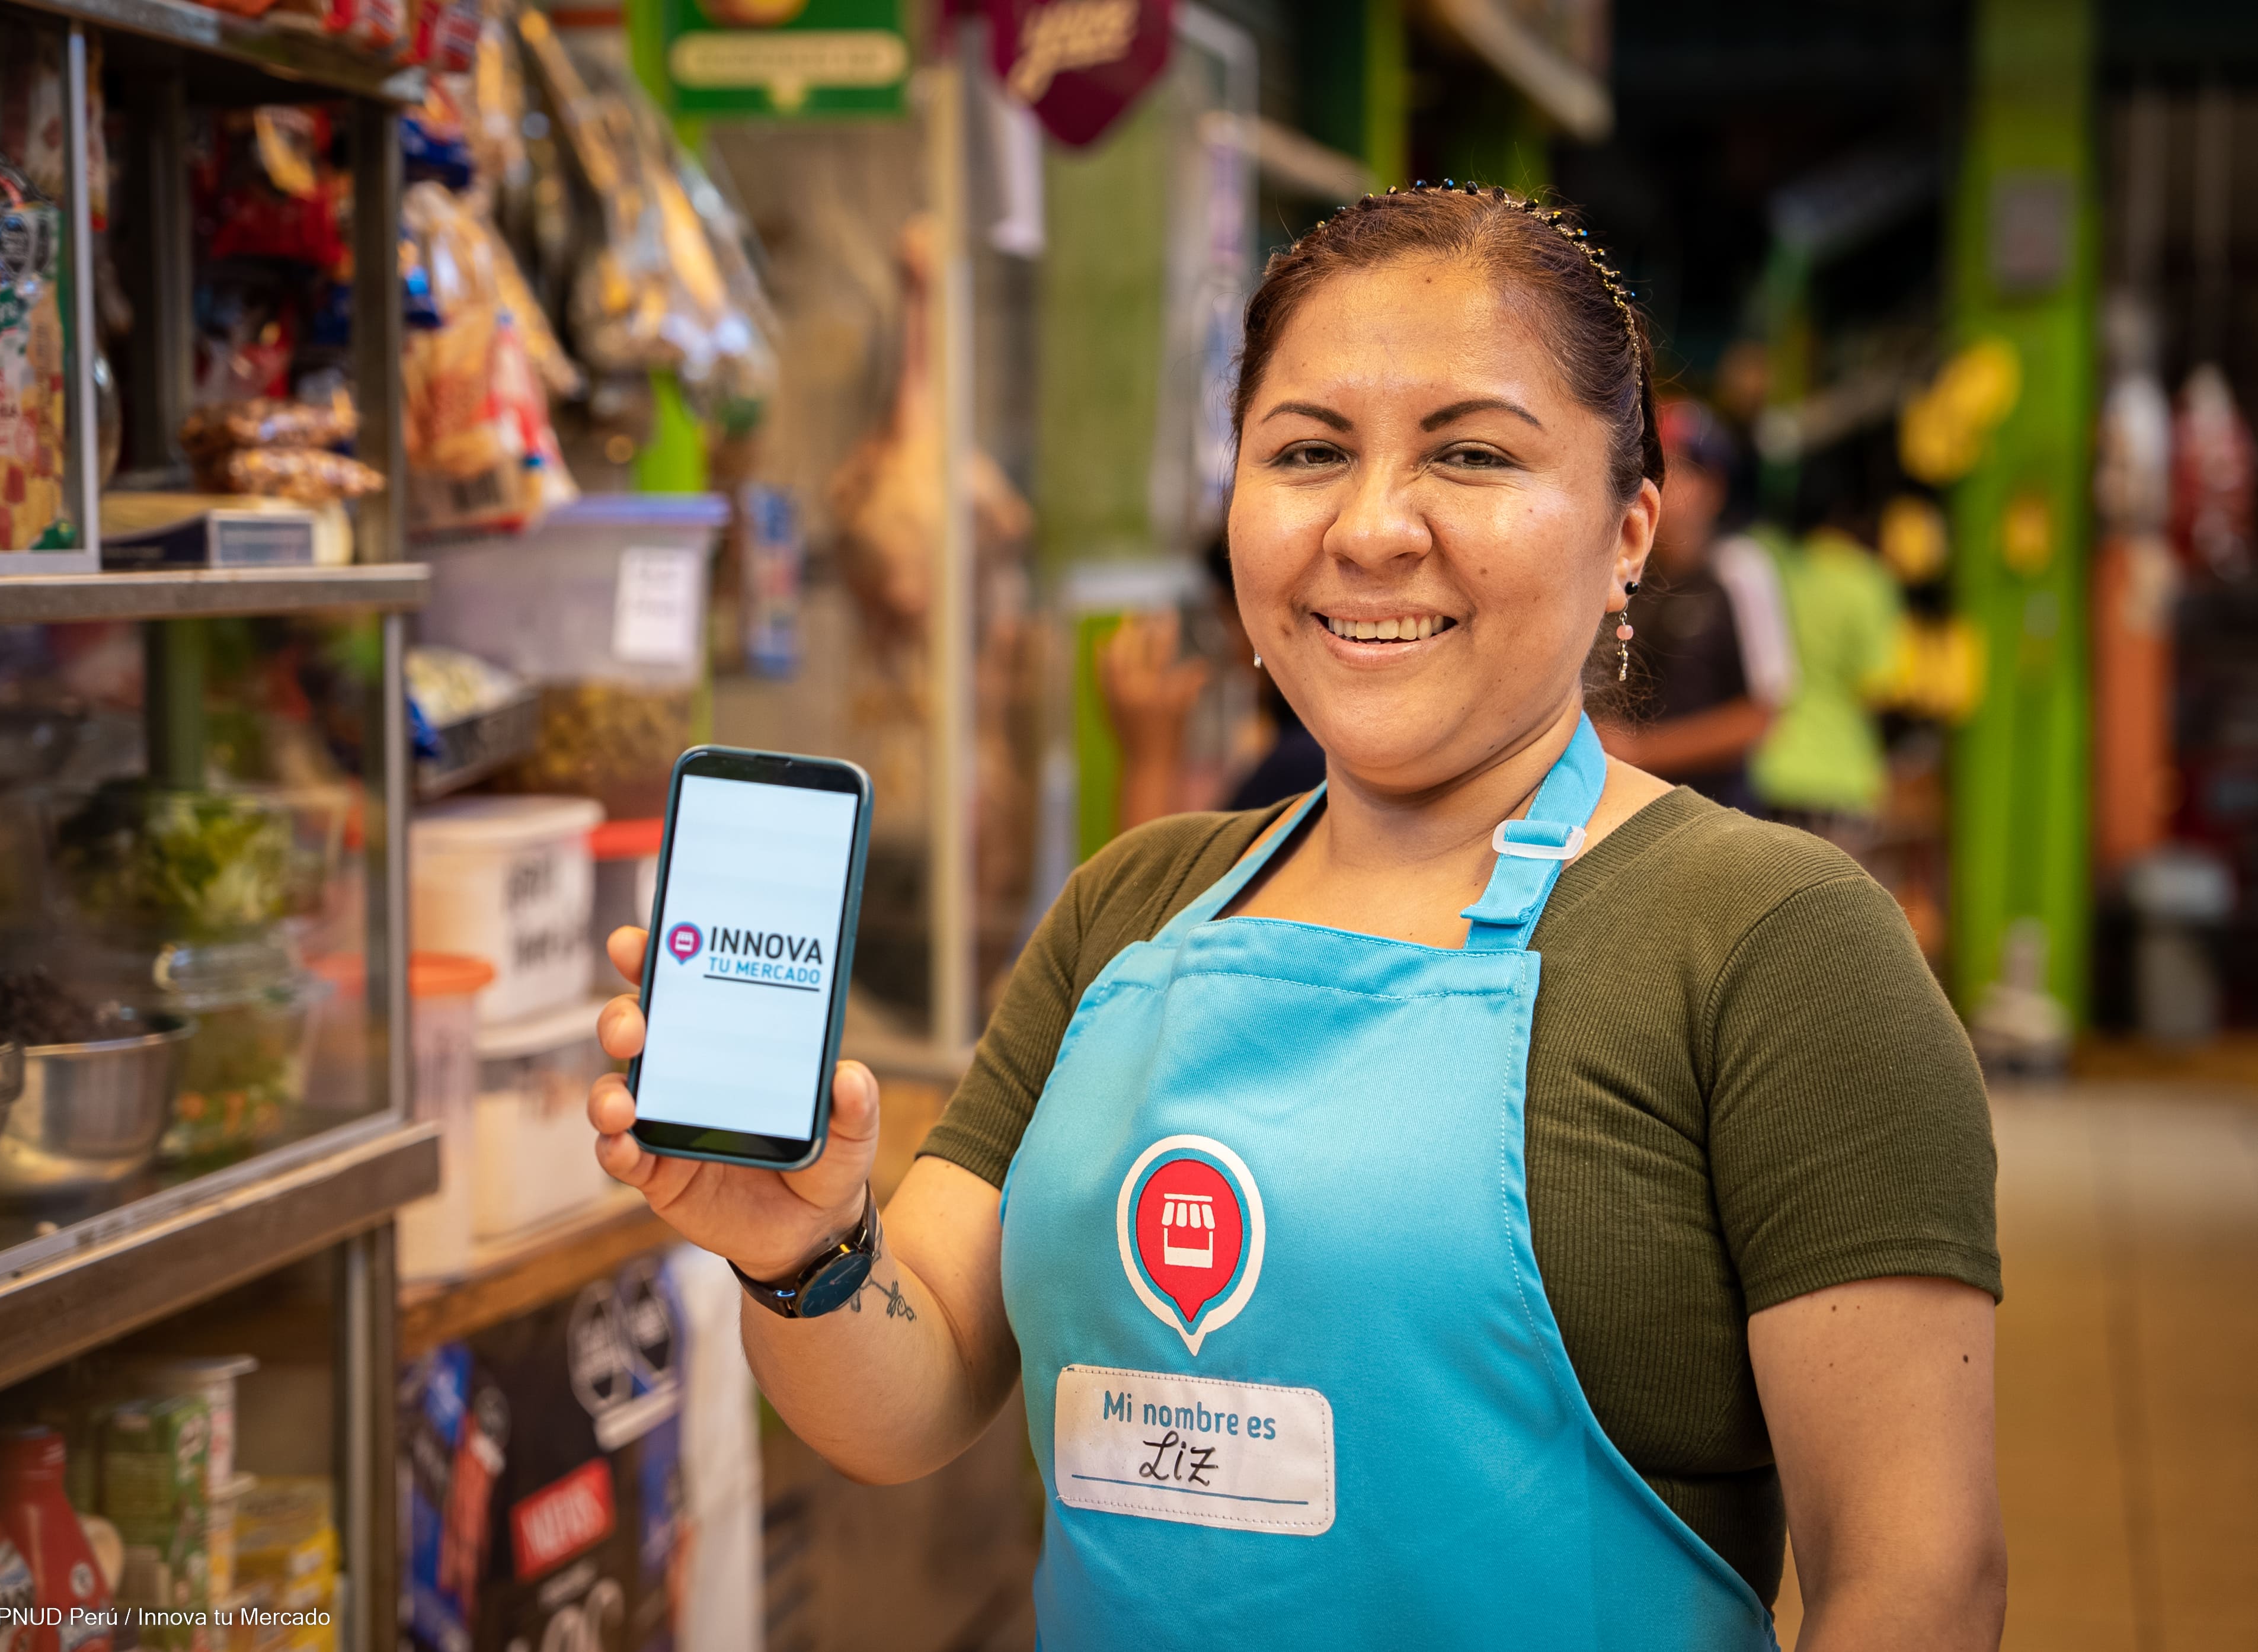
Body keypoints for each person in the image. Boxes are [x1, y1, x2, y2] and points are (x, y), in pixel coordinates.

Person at [589, 183, 2003, 1649]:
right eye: (1306, 452)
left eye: (1469, 453)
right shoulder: (1130, 905)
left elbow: (1915, 1584)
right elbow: (914, 1388)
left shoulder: (1771, 944)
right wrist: (799, 1245)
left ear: (1626, 527)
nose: (1371, 527)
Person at [1597, 398, 1795, 809]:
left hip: (1715, 809)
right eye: (1646, 469)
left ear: (1715, 488)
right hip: (1623, 806)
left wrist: (1641, 750)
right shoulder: (1619, 571)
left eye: (1678, 469)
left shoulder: (1739, 570)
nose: (1657, 485)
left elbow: (1762, 715)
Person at [1099, 538, 1326, 832]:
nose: (1231, 652)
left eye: (1224, 619)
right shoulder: (1302, 753)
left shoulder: (1299, 763)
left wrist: (1150, 759)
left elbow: (1151, 878)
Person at [1749, 518, 1906, 860]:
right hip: (1837, 774)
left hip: (1766, 765)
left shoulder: (1766, 563)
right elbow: (1879, 687)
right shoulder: (1866, 580)